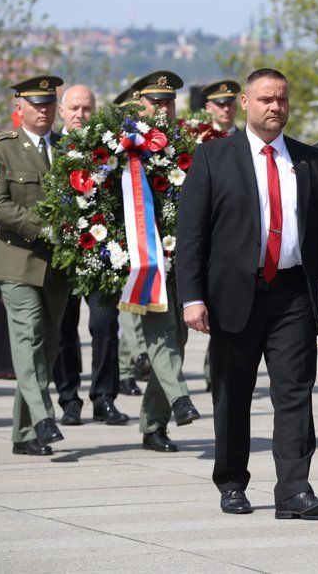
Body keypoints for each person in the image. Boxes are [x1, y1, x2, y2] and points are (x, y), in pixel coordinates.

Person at [177, 68, 318, 519]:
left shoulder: (314, 161)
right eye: (267, 100)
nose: (276, 107)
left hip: (293, 293)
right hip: (234, 295)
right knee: (232, 392)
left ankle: (294, 491)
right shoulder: (214, 158)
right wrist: (192, 297)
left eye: (283, 100)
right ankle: (232, 481)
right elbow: (191, 235)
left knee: (295, 392)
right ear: (246, 105)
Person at [113, 71, 200, 452]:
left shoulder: (185, 144)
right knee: (162, 333)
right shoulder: (122, 145)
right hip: (141, 261)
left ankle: (152, 425)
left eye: (169, 101)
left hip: (181, 257)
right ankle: (181, 399)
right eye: (157, 101)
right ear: (139, 103)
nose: (164, 108)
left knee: (176, 339)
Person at [0, 75, 72, 456]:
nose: (44, 110)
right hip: (17, 259)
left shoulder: (70, 149)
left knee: (49, 346)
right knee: (29, 337)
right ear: (19, 108)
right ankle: (44, 417)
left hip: (57, 266)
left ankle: (24, 435)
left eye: (49, 103)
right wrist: (45, 229)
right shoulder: (3, 150)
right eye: (36, 104)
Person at [52, 85, 128, 426]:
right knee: (64, 329)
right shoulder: (50, 148)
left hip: (100, 254)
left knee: (105, 325)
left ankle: (104, 397)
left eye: (87, 108)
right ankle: (69, 398)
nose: (80, 115)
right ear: (62, 111)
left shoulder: (106, 149)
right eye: (74, 108)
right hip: (61, 257)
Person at [197, 79, 243, 392]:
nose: (225, 109)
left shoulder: (248, 139)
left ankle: (215, 372)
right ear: (208, 107)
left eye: (229, 103)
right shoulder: (196, 140)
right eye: (219, 104)